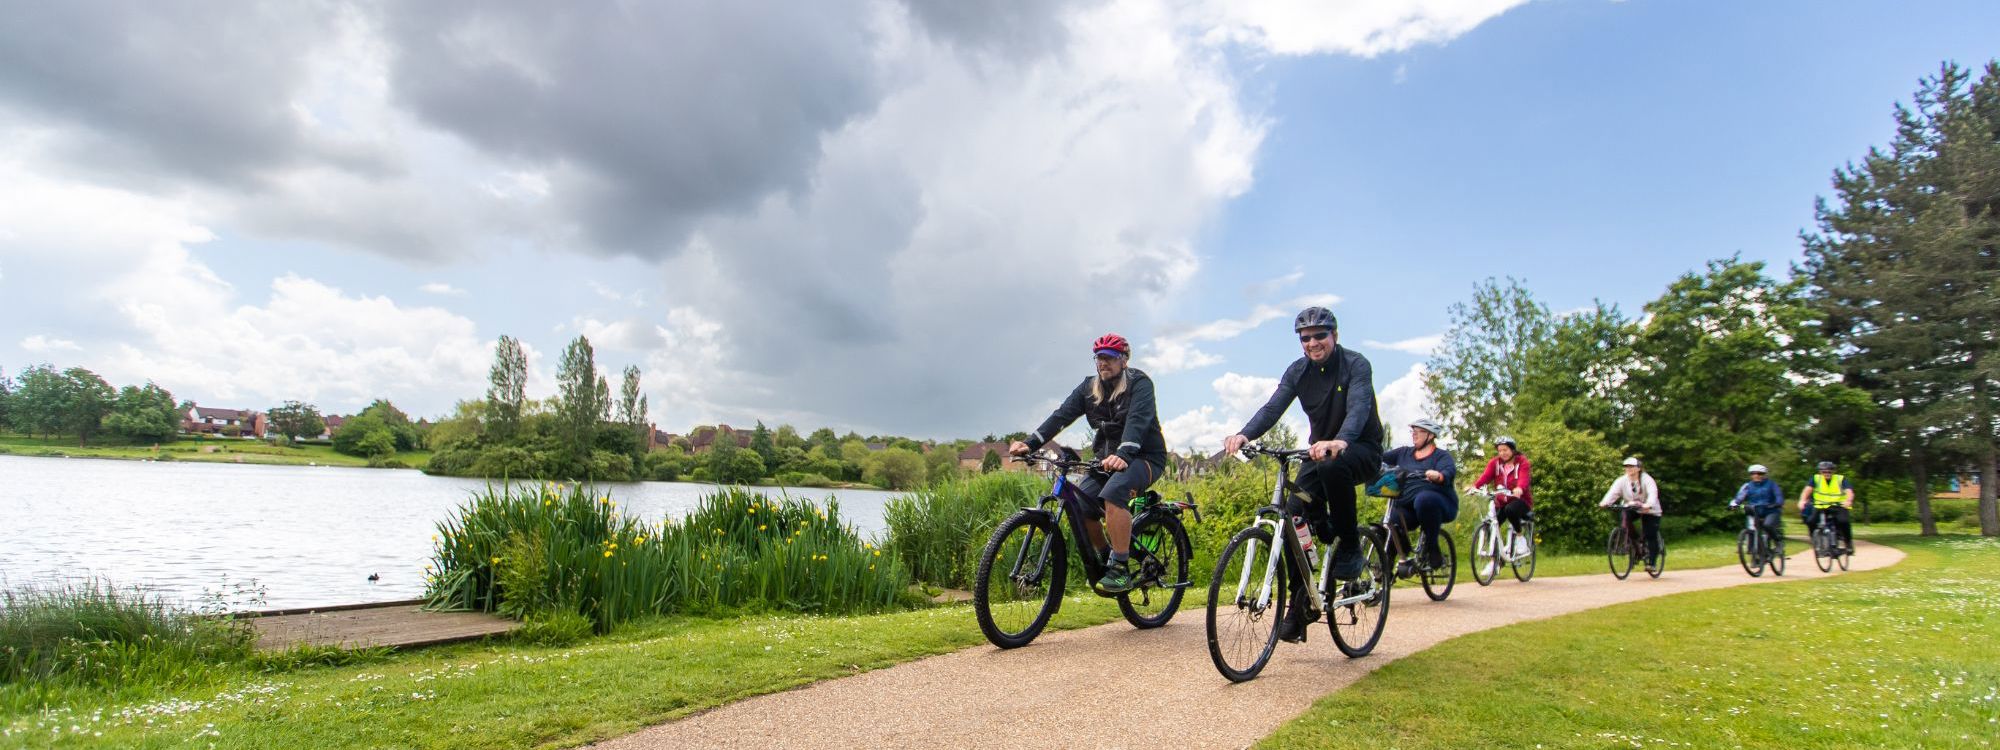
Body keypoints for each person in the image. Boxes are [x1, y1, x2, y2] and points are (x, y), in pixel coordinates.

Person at [1220, 306, 1383, 643]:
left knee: (1333, 465)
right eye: (1305, 338)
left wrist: (1342, 440)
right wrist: (1244, 434)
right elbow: (1272, 408)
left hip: (1359, 449)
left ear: (1334, 336)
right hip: (1318, 451)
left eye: (1319, 335)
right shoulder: (1298, 371)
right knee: (1293, 514)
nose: (1312, 343)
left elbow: (1359, 408)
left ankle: (1350, 547)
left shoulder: (1356, 365)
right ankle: (1301, 606)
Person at [1009, 333, 1168, 595]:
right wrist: (1030, 444)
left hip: (1143, 457)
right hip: (1105, 461)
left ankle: (1119, 569)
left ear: (1124, 360)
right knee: (1081, 506)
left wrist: (1124, 454)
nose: (1103, 362)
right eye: (1099, 357)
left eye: (1110, 357)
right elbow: (1060, 416)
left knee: (1114, 493)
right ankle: (1108, 556)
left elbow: (1137, 422)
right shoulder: (1089, 387)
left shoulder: (1140, 384)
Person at [1381, 418, 1458, 577]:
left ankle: (1432, 547)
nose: (1414, 434)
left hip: (1439, 504)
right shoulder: (1403, 453)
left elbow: (1448, 471)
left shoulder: (1441, 456)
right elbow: (1379, 458)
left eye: (1419, 431)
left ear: (1430, 436)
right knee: (1392, 519)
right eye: (1413, 431)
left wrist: (1439, 475)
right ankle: (1388, 566)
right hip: (1408, 507)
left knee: (1424, 499)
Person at [1599, 456, 1663, 568]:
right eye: (1626, 467)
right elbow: (1613, 493)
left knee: (1650, 534)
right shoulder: (1621, 481)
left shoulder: (1647, 480)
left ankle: (1652, 563)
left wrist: (1648, 505)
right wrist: (1605, 502)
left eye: (1632, 466)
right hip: (1631, 507)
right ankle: (1634, 543)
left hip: (1650, 510)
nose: (1629, 469)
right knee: (1625, 521)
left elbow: (1653, 493)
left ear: (1638, 468)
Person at [1469, 436, 1532, 535]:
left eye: (1505, 450)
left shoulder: (1522, 462)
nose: (1502, 453)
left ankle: (1520, 537)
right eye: (1500, 450)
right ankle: (1494, 549)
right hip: (1501, 502)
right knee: (1491, 524)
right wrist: (1475, 487)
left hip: (1520, 500)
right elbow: (1486, 476)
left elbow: (1523, 478)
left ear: (1512, 449)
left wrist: (1519, 488)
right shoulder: (1495, 463)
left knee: (1510, 510)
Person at [1798, 460, 1855, 554]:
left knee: (1843, 521)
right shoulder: (1816, 478)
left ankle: (1848, 543)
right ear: (1820, 472)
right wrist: (1802, 500)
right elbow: (1807, 490)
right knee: (1811, 521)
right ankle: (1815, 541)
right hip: (1820, 505)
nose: (1827, 473)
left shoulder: (1840, 479)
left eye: (1829, 471)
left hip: (1838, 506)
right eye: (1824, 471)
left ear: (1833, 471)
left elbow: (1849, 491)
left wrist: (1848, 501)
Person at [1730, 464, 1785, 541]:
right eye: (1753, 473)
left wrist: (1778, 503)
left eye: (1759, 473)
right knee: (1751, 528)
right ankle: (1751, 549)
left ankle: (1778, 542)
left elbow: (1778, 495)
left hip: (1771, 510)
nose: (1756, 475)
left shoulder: (1772, 484)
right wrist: (1734, 504)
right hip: (1754, 510)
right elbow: (1740, 497)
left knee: (1767, 525)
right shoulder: (1747, 486)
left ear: (1764, 475)